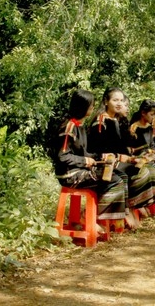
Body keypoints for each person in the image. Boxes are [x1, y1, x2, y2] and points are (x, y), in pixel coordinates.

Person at [50, 89, 126, 226]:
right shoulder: (69, 127)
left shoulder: (80, 126)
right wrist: (85, 161)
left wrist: (99, 158)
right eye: (90, 105)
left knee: (116, 175)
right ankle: (90, 218)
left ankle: (98, 219)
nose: (92, 107)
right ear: (82, 107)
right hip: (69, 175)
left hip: (79, 170)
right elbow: (62, 156)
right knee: (115, 180)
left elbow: (83, 153)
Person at [87, 88, 155, 216]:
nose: (119, 104)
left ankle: (132, 207)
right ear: (106, 101)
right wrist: (125, 158)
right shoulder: (100, 122)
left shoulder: (115, 120)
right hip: (102, 163)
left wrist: (131, 158)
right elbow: (100, 151)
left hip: (116, 159)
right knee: (137, 172)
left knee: (145, 168)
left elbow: (120, 146)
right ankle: (126, 210)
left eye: (121, 100)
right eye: (115, 100)